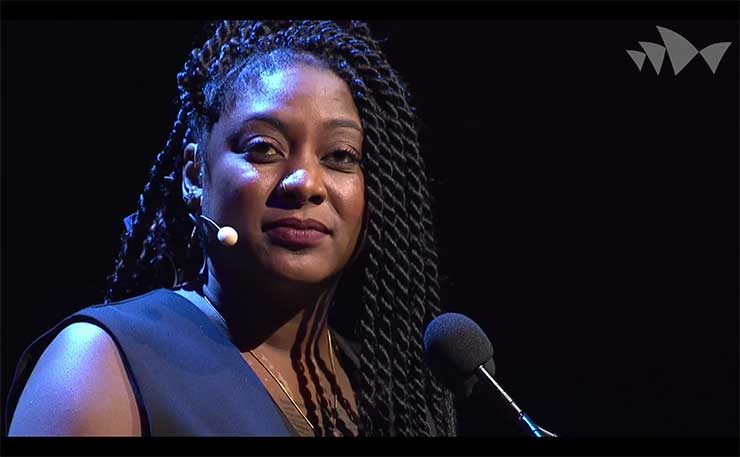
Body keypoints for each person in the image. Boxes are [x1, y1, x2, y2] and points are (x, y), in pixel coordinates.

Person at [5, 20, 457, 437]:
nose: (305, 183)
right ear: (193, 174)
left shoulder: (388, 396)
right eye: (264, 149)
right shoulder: (101, 363)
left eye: (340, 156)